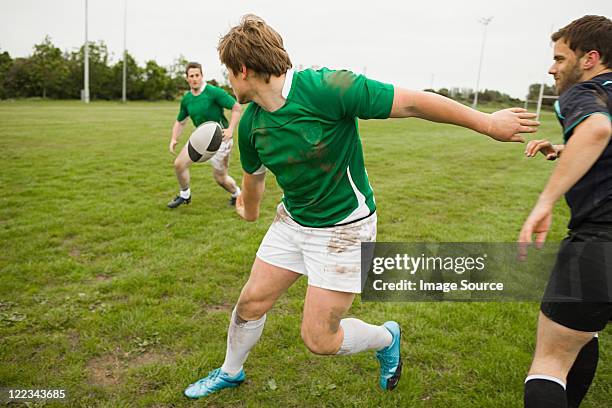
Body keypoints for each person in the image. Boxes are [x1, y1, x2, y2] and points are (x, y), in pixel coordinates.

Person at [183, 14, 540, 399]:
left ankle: (387, 337)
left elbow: (413, 103)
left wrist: (487, 123)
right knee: (250, 303)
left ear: (243, 68)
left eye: (227, 71)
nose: (227, 79)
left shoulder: (329, 87)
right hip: (292, 222)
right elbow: (253, 183)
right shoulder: (253, 123)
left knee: (319, 339)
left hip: (344, 230)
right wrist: (246, 209)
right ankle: (230, 371)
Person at [519, 15, 612, 408]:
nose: (552, 68)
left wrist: (545, 201)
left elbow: (597, 130)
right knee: (582, 333)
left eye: (559, 58)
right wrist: (562, 151)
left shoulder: (580, 93)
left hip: (600, 242)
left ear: (589, 58)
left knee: (551, 361)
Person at [167, 62, 242, 208]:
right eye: (191, 76)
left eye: (197, 75)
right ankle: (185, 195)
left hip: (221, 140)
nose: (194, 78)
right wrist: (174, 138)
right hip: (201, 138)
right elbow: (180, 121)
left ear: (202, 76)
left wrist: (230, 129)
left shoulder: (214, 92)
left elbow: (236, 108)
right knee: (179, 164)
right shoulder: (187, 99)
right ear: (187, 78)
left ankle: (237, 194)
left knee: (220, 178)